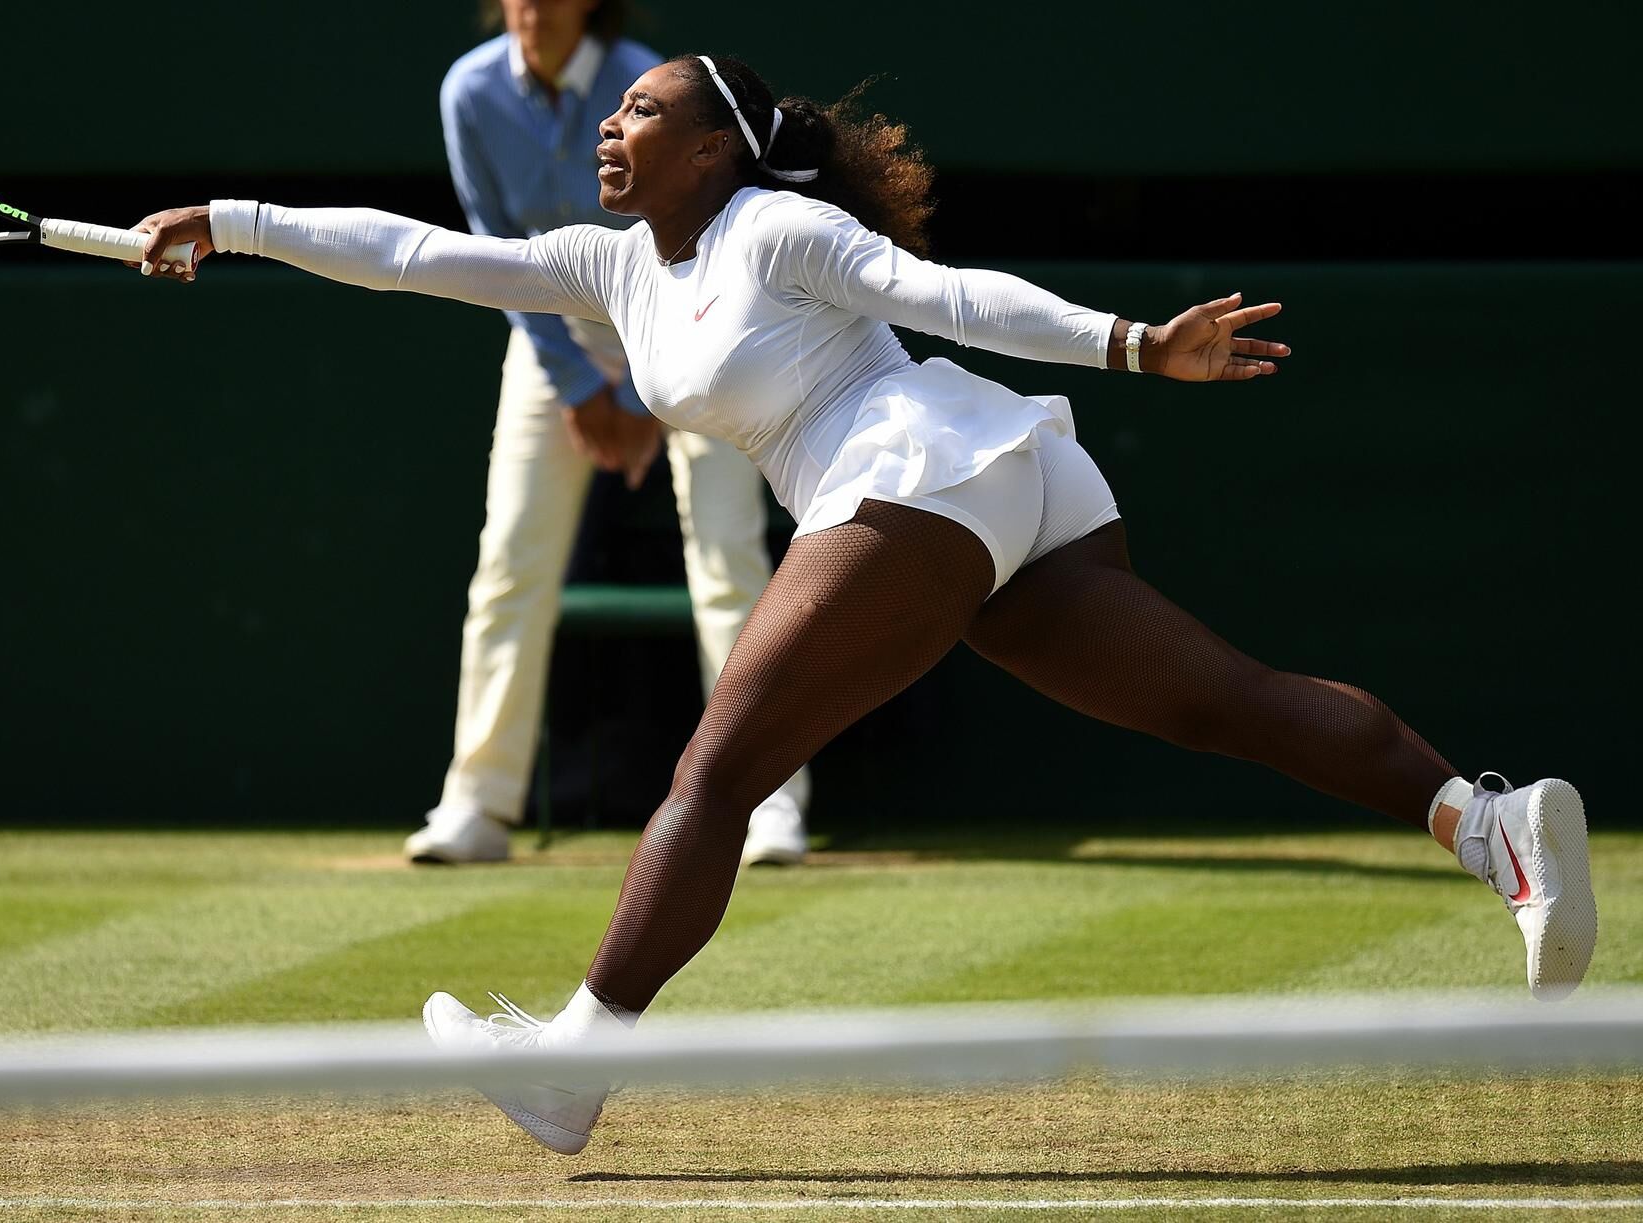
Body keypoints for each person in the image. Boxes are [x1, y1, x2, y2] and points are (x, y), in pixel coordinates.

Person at [132, 52, 1596, 1155]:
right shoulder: (608, 267)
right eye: (613, 114)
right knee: (1221, 699)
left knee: (718, 768)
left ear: (718, 148)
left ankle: (577, 1058)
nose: (612, 130)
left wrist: (1138, 346)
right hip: (984, 484)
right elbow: (414, 256)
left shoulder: (773, 229)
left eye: (644, 112)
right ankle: (1491, 820)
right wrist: (239, 219)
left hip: (912, 474)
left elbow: (946, 293)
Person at [410, 0, 813, 867]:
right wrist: (572, 380)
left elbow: (705, 229)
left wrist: (639, 393)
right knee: (509, 564)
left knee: (730, 562)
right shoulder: (469, 91)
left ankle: (769, 801)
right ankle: (475, 806)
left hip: (695, 328)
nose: (529, 12)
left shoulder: (655, 80)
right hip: (552, 338)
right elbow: (493, 244)